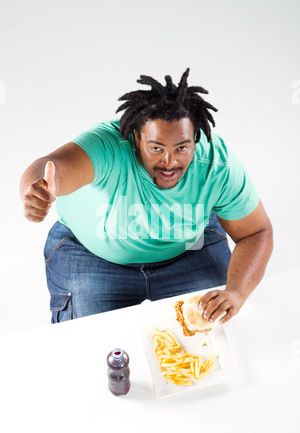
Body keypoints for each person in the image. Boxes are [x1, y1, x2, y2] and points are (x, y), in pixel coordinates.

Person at [20, 68, 273, 325]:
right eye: (156, 148)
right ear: (137, 136)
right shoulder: (109, 146)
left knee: (215, 333)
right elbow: (51, 168)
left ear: (196, 139)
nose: (169, 162)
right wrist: (38, 189)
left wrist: (236, 292)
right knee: (94, 348)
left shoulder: (216, 163)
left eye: (182, 148)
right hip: (91, 255)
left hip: (188, 250)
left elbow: (255, 232)